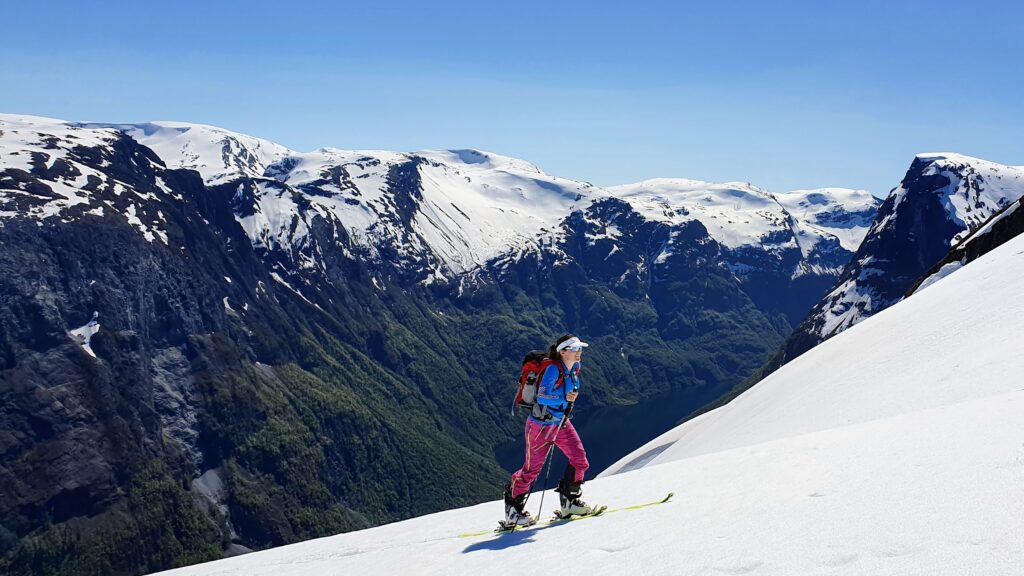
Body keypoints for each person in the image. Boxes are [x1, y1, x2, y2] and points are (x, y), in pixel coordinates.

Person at [503, 334, 592, 526]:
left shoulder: (574, 368)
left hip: (560, 423)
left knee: (580, 460)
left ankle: (570, 502)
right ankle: (513, 511)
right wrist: (564, 398)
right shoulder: (553, 368)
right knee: (531, 470)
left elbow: (569, 391)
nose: (579, 352)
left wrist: (571, 396)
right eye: (575, 349)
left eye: (580, 349)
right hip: (540, 426)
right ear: (563, 351)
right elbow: (542, 396)